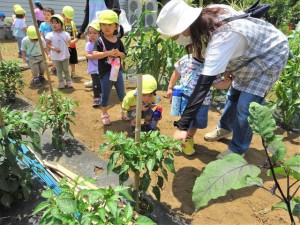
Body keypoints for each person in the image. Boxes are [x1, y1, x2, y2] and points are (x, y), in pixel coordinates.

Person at [156, 0, 289, 159]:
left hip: (270, 54)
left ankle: (238, 149)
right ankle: (225, 128)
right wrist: (226, 66)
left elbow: (203, 86)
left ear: (185, 27)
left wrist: (182, 125)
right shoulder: (210, 13)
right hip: (248, 55)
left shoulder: (223, 39)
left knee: (246, 107)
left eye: (175, 35)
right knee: (233, 96)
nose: (176, 39)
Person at [167, 52, 232, 156]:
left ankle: (189, 138)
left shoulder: (212, 65)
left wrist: (226, 84)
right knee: (187, 121)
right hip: (186, 97)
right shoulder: (185, 60)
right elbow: (176, 74)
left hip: (203, 101)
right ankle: (182, 140)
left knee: (197, 122)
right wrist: (170, 87)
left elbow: (216, 83)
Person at [92, 10, 126, 125]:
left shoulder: (118, 41)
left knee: (122, 93)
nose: (107, 27)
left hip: (117, 72)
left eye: (110, 25)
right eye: (104, 25)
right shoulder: (99, 41)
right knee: (105, 94)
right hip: (105, 73)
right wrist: (108, 53)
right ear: (100, 26)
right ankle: (104, 114)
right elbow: (95, 55)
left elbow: (124, 55)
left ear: (116, 26)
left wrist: (119, 54)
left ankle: (124, 111)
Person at [77, 0, 120, 88]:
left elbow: (116, 11)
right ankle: (95, 80)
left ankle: (108, 80)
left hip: (104, 31)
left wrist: (112, 30)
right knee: (92, 57)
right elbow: (87, 14)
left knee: (108, 58)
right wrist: (82, 30)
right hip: (92, 30)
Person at [45, 14, 78, 89]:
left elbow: (70, 43)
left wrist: (77, 38)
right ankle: (61, 83)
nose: (54, 24)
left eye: (56, 22)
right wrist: (54, 48)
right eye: (52, 22)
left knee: (66, 70)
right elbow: (47, 45)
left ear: (61, 24)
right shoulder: (49, 34)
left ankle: (69, 81)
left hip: (65, 55)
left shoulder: (66, 34)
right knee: (59, 71)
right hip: (56, 57)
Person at [84, 20, 102, 107]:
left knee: (102, 82)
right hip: (93, 69)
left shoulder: (101, 44)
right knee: (95, 83)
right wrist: (95, 56)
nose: (92, 35)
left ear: (99, 34)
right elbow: (87, 55)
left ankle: (102, 95)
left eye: (95, 33)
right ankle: (96, 97)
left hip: (102, 68)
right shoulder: (88, 44)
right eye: (90, 33)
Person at [62, 6, 79, 78]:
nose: (69, 20)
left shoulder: (72, 23)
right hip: (64, 45)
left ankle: (73, 72)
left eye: (70, 18)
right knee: (64, 59)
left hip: (72, 45)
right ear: (63, 15)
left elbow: (75, 31)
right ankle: (64, 72)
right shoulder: (61, 23)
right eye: (67, 18)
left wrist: (77, 34)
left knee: (73, 59)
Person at [39, 7, 56, 75]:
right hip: (47, 43)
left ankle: (55, 67)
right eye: (45, 14)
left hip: (54, 43)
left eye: (48, 15)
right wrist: (43, 43)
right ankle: (54, 67)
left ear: (52, 15)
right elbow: (41, 35)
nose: (46, 16)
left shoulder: (54, 24)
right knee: (50, 56)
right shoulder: (42, 25)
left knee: (55, 56)